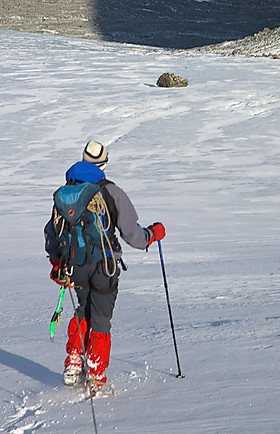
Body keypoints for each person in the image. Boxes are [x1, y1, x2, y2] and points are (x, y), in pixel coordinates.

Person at [44, 139, 166, 391]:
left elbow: (51, 234)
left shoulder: (66, 194)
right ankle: (96, 375)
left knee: (83, 312)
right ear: (103, 164)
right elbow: (132, 235)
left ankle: (74, 363)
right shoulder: (111, 192)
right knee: (100, 317)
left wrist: (58, 264)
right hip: (104, 266)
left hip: (75, 267)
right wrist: (152, 235)